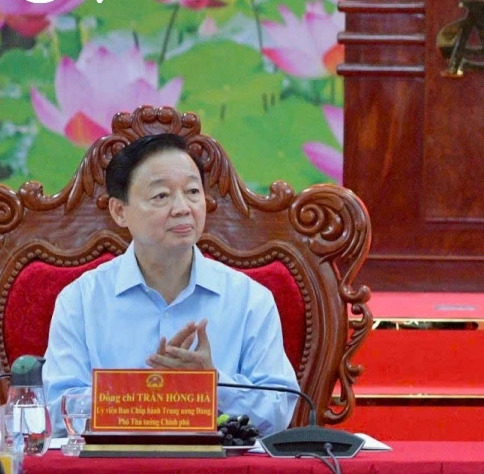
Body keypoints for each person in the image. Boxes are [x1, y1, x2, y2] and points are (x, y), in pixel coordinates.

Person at [44, 133, 300, 436]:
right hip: (117, 464)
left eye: (192, 191)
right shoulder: (81, 300)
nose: (182, 208)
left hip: (215, 465)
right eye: (161, 196)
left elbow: (279, 411)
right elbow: (57, 411)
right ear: (119, 211)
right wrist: (150, 391)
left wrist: (212, 383)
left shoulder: (249, 300)